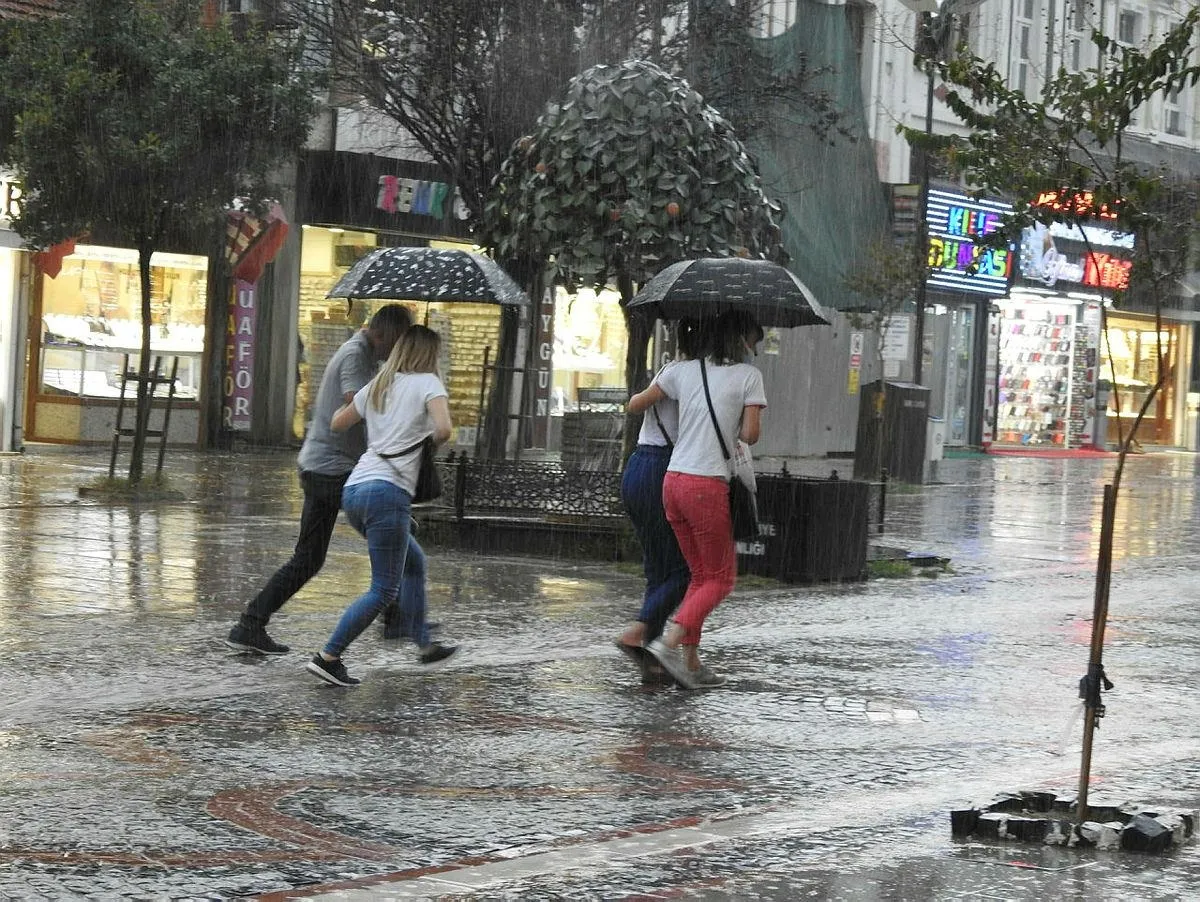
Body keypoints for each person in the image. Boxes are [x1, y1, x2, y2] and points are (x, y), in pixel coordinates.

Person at [224, 304, 423, 655]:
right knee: (394, 532)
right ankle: (394, 617)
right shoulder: (356, 354)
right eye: (397, 344)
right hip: (331, 468)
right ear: (383, 335)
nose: (397, 352)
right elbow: (355, 401)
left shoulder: (367, 356)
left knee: (312, 557)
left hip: (327, 467)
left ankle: (251, 623)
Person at [307, 325, 458, 686]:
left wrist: (383, 426)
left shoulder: (379, 383)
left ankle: (424, 644)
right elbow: (444, 430)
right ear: (429, 355)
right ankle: (328, 657)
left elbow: (338, 422)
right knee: (384, 588)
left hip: (356, 489)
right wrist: (421, 439)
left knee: (413, 562)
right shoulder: (429, 384)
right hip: (388, 493)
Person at [627, 310, 767, 689]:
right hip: (706, 485)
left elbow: (637, 403)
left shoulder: (683, 371)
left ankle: (691, 661)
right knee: (721, 580)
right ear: (742, 341)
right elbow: (751, 435)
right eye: (753, 342)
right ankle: (668, 644)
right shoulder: (749, 377)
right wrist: (733, 416)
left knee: (700, 576)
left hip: (672, 482)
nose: (754, 350)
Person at [615, 318, 704, 685]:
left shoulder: (671, 369)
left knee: (658, 570)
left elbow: (635, 404)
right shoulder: (695, 376)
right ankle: (638, 631)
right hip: (664, 470)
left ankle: (651, 657)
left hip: (638, 466)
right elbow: (636, 404)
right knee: (688, 571)